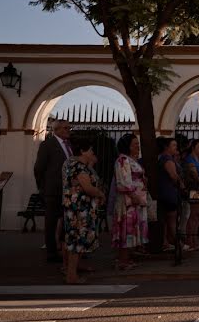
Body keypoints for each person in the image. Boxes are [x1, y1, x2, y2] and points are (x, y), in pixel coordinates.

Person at [62, 136, 105, 284]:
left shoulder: (76, 165)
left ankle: (71, 272)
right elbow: (87, 187)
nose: (92, 152)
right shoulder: (78, 167)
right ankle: (71, 275)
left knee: (76, 240)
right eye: (90, 150)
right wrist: (100, 194)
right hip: (79, 209)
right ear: (82, 151)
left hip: (79, 208)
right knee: (76, 241)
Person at [34, 119, 73, 263]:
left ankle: (65, 249)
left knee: (66, 221)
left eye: (69, 128)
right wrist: (43, 187)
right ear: (56, 130)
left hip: (67, 191)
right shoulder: (47, 145)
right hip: (52, 190)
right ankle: (51, 252)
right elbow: (39, 168)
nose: (68, 130)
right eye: (65, 128)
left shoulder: (69, 146)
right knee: (51, 222)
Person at [111, 134, 148, 269]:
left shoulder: (131, 160)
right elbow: (123, 182)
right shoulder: (123, 160)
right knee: (126, 229)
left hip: (135, 201)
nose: (137, 146)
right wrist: (134, 195)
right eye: (134, 144)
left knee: (131, 229)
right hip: (128, 202)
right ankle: (123, 260)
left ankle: (126, 258)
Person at [157, 137, 187, 252]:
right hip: (169, 193)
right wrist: (181, 185)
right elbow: (173, 176)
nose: (176, 147)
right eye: (174, 145)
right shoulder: (168, 159)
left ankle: (166, 242)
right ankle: (177, 243)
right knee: (172, 220)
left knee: (167, 220)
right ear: (167, 147)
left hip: (165, 192)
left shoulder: (164, 158)